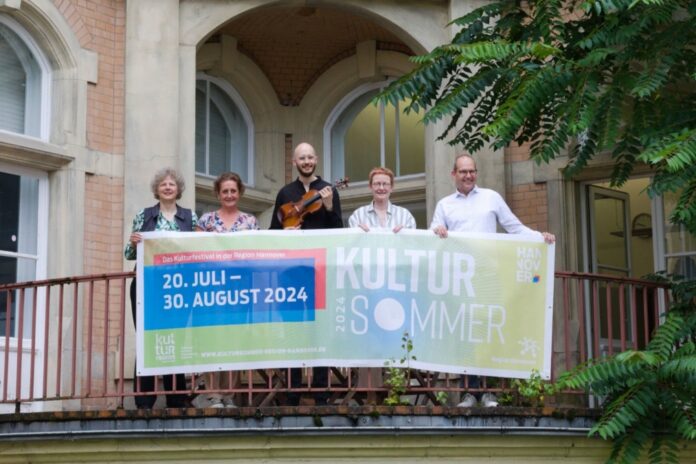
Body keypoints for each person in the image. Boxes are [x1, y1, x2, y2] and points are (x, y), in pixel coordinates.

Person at [431, 153, 555, 407]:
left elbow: (514, 227)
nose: (468, 176)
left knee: (487, 331)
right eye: (463, 171)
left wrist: (538, 237)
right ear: (453, 174)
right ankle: (469, 392)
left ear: (476, 173)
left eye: (472, 171)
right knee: (466, 334)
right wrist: (438, 232)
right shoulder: (445, 204)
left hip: (488, 275)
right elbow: (434, 234)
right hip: (460, 278)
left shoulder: (491, 198)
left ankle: (488, 393)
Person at [270, 142, 343, 405]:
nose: (307, 161)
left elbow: (338, 230)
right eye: (302, 158)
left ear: (316, 159)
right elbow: (272, 233)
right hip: (291, 270)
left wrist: (330, 206)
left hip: (320, 268)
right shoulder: (285, 192)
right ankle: (292, 390)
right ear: (294, 162)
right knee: (293, 328)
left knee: (320, 328)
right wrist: (283, 233)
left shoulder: (328, 190)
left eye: (310, 157)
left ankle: (323, 391)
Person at [125, 167, 198, 409]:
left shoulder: (190, 217)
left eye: (172, 184)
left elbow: (199, 249)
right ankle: (144, 399)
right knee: (146, 339)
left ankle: (176, 397)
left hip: (180, 286)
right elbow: (127, 254)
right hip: (148, 284)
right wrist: (134, 242)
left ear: (179, 190)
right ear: (157, 190)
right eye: (163, 184)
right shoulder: (143, 215)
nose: (167, 187)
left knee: (175, 339)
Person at [193, 172, 259, 408]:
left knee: (234, 341)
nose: (229, 195)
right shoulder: (206, 220)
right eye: (225, 191)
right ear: (218, 194)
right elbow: (196, 251)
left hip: (240, 290)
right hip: (212, 288)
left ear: (239, 193)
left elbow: (257, 252)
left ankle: (229, 395)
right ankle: (212, 394)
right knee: (212, 339)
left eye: (233, 191)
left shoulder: (250, 222)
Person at [348, 167, 416, 233]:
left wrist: (404, 235)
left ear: (391, 187)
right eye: (377, 184)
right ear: (370, 186)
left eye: (385, 184)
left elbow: (413, 243)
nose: (381, 188)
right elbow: (351, 243)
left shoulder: (405, 216)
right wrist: (359, 235)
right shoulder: (357, 216)